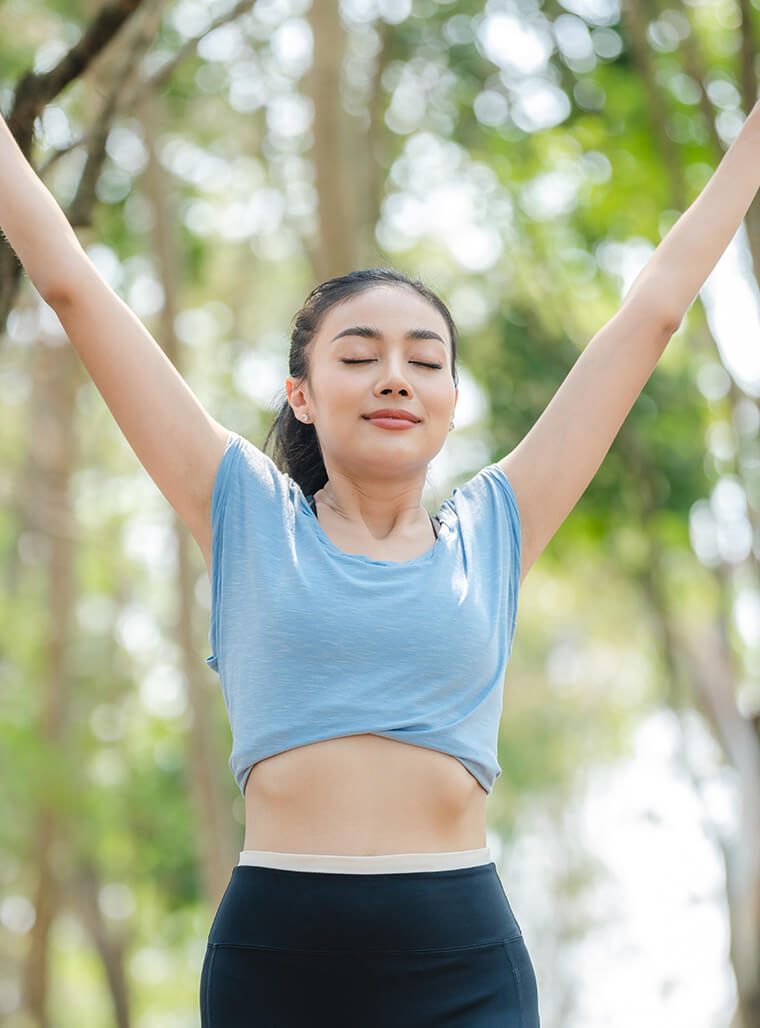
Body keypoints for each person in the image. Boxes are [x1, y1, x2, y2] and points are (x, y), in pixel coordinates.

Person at [3, 87, 760, 1025]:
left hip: (463, 954)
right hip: (277, 954)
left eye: (424, 358)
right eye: (358, 355)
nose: (394, 374)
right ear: (304, 393)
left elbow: (650, 316)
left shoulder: (499, 526)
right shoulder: (244, 511)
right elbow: (70, 282)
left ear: (449, 397)